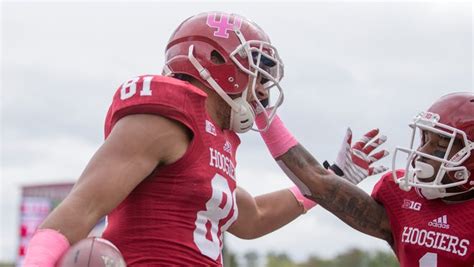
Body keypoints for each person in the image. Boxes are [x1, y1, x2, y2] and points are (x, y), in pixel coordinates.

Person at [24, 11, 380, 266]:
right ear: (213, 60)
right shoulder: (164, 116)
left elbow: (253, 216)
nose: (262, 87)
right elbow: (82, 206)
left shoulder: (217, 139)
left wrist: (336, 178)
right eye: (254, 69)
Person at [257, 92, 474, 266]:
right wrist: (263, 110)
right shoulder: (401, 196)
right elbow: (317, 181)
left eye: (443, 143)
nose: (423, 152)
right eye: (425, 138)